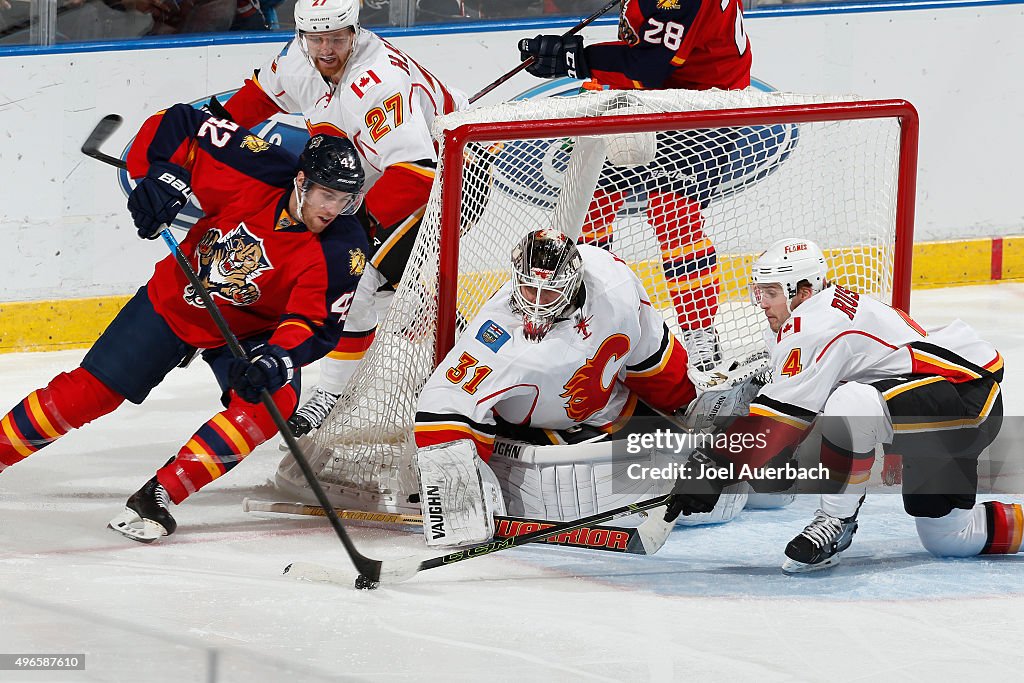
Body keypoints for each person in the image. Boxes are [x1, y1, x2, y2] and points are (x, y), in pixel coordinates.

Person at [0, 103, 369, 543]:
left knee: (273, 402)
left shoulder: (344, 246)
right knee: (89, 392)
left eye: (345, 199)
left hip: (249, 330)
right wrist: (162, 176)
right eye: (326, 194)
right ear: (301, 181)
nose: (334, 208)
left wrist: (277, 358)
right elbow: (179, 124)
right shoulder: (257, 164)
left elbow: (313, 323)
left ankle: (160, 493)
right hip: (176, 298)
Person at [662, 237, 1019, 572]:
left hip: (965, 399)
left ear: (803, 290)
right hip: (933, 403)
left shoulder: (814, 325)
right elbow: (791, 413)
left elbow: (783, 421)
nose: (762, 302)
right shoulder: (804, 318)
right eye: (760, 291)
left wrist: (714, 466)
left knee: (849, 404)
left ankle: (836, 522)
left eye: (770, 292)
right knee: (949, 537)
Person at [410, 228, 765, 548]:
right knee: (656, 476)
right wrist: (459, 499)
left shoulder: (612, 281)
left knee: (717, 455)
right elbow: (441, 406)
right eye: (528, 288)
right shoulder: (497, 336)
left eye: (548, 294)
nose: (534, 303)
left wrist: (684, 402)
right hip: (541, 430)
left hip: (611, 406)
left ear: (573, 283)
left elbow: (649, 353)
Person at [222, 0, 468, 438]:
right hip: (379, 175)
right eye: (315, 39)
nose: (326, 49)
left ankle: (331, 396)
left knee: (354, 278)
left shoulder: (378, 84)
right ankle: (438, 324)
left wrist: (357, 228)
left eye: (337, 38)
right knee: (378, 288)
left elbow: (417, 174)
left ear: (355, 31)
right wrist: (196, 137)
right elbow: (255, 100)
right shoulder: (298, 58)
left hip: (452, 178)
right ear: (301, 35)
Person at [518, 0, 752, 371]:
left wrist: (576, 58)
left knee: (674, 214)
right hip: (647, 99)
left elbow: (647, 66)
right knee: (588, 206)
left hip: (701, 107)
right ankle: (587, 323)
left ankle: (701, 339)